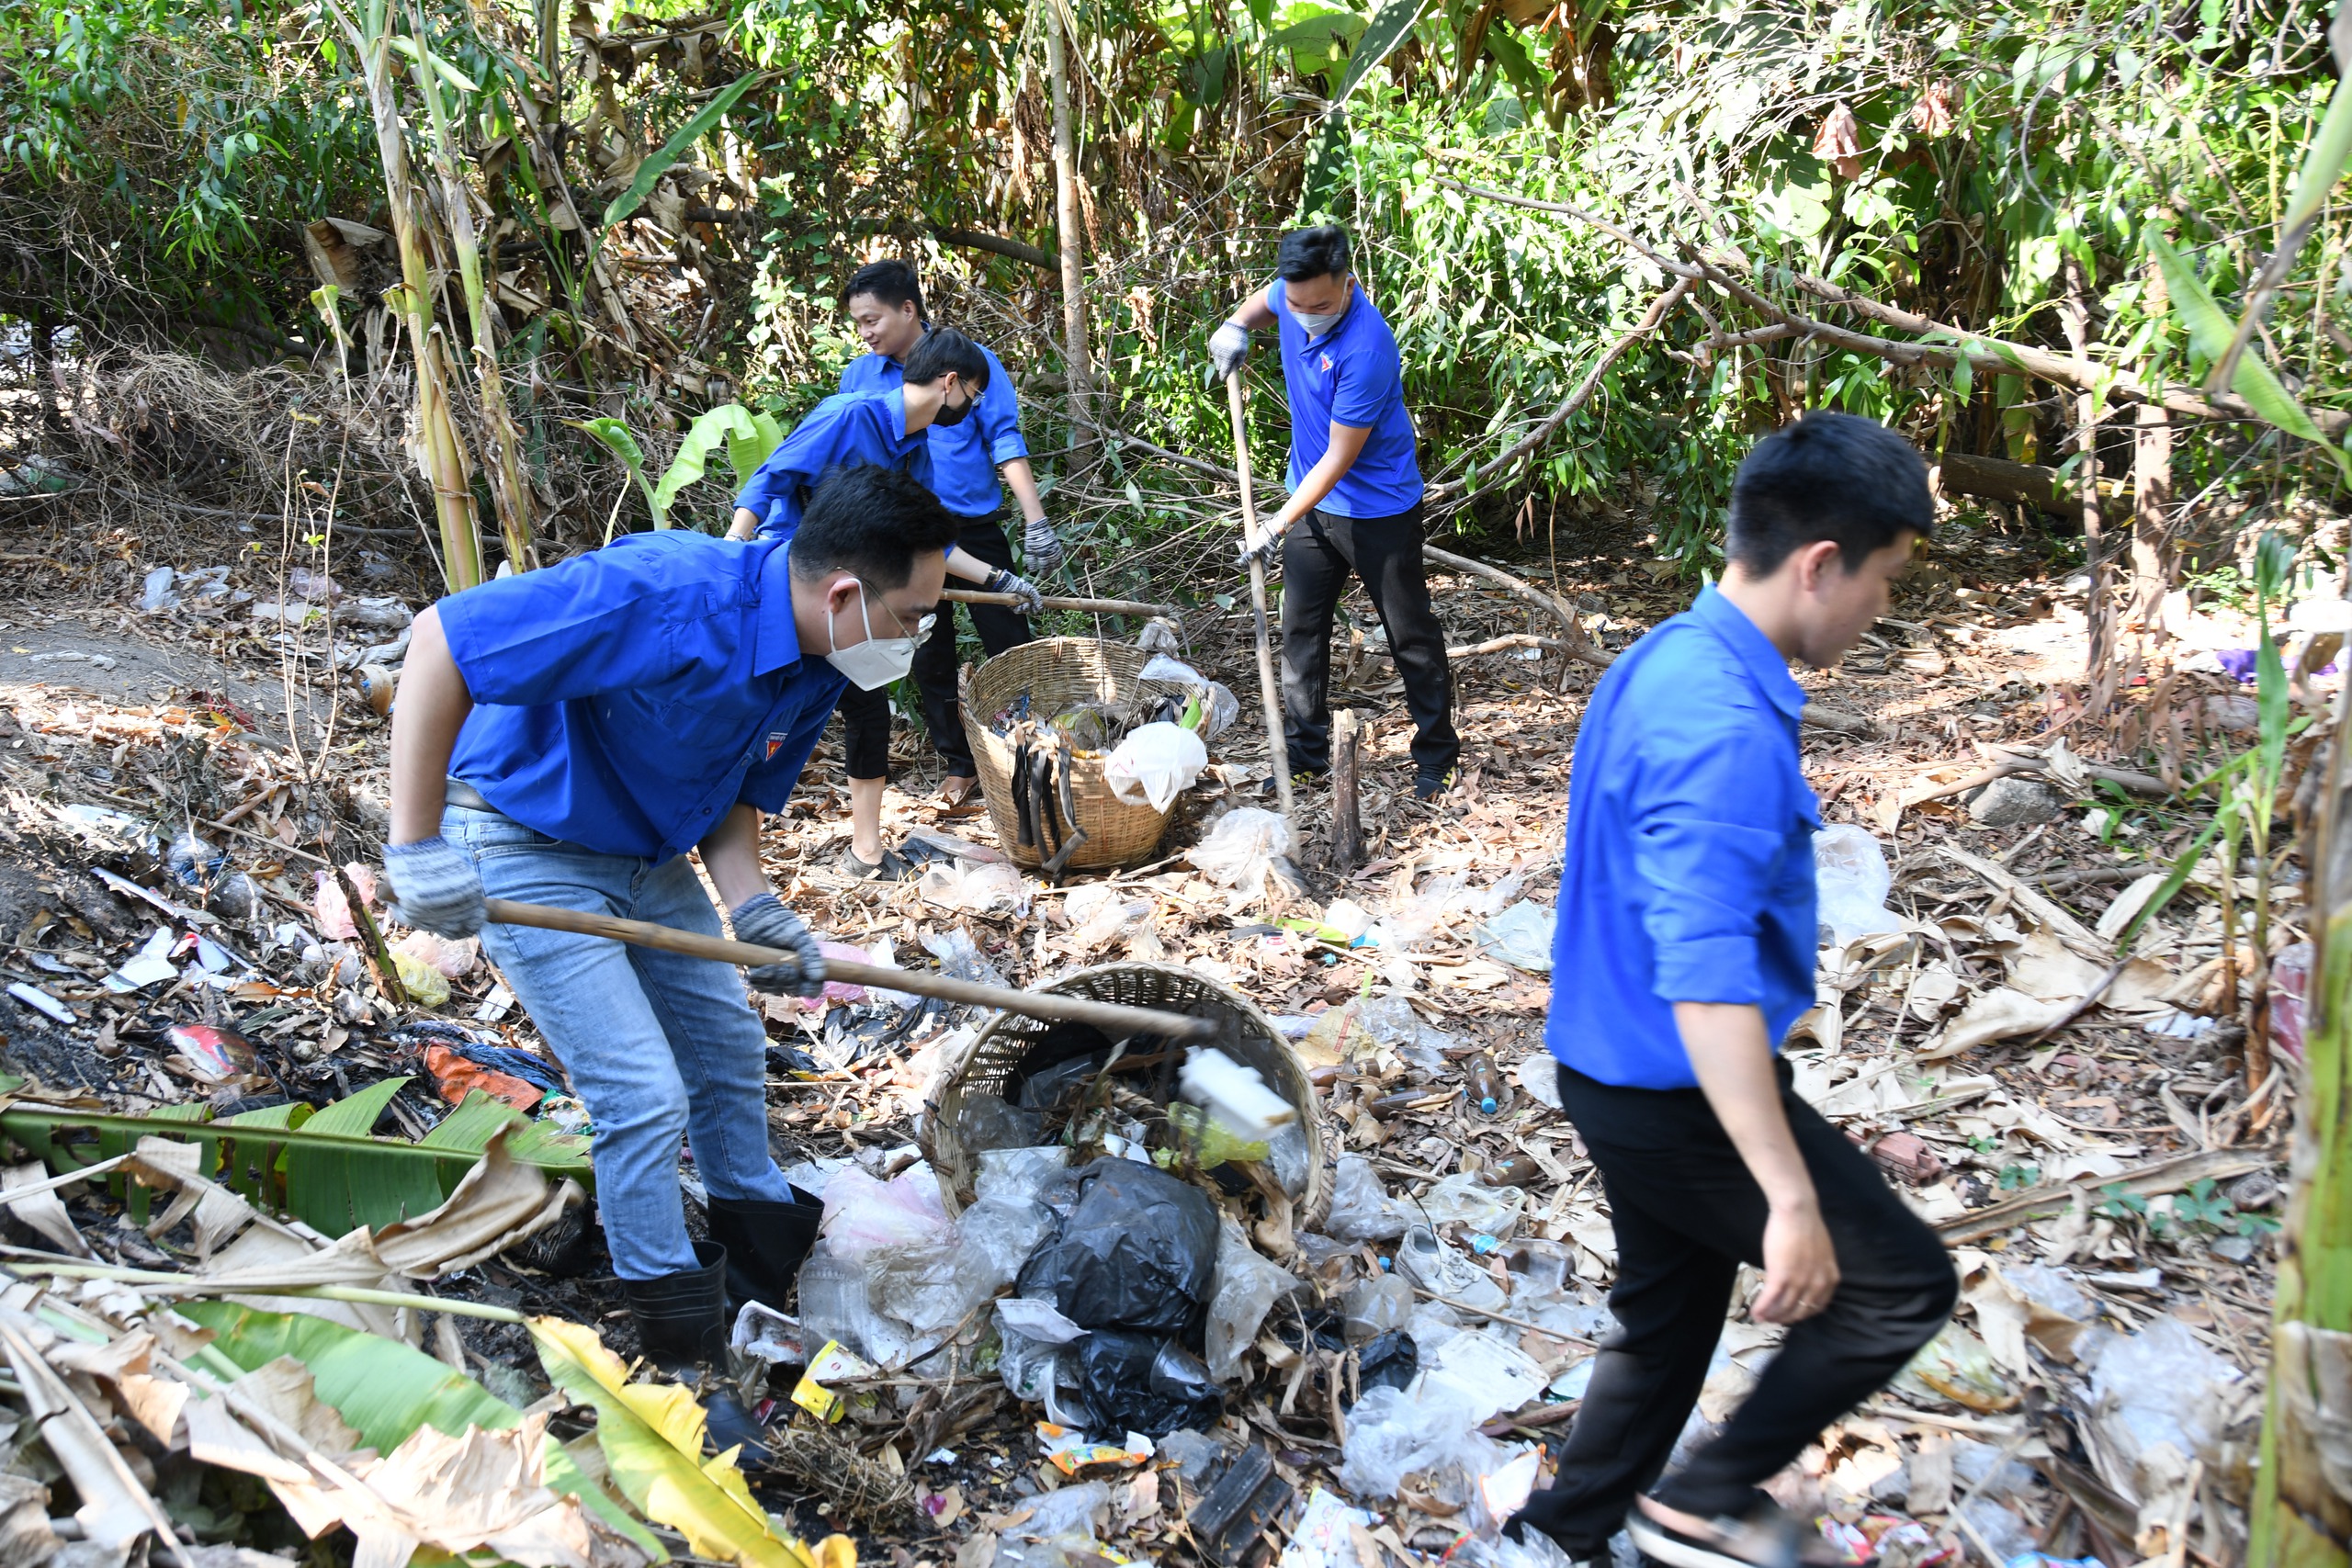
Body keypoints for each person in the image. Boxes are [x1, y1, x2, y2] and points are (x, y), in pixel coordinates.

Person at [381, 465, 962, 1403]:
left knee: (727, 1045)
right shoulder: (668, 593)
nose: (917, 636)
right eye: (914, 616)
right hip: (525, 838)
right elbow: (444, 637)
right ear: (847, 593)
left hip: (648, 856)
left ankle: (754, 1257)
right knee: (641, 1093)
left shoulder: (824, 658)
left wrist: (754, 906)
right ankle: (678, 1334)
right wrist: (413, 844)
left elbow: (736, 787)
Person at [1510, 412, 1957, 1568]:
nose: (1884, 609)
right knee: (1898, 1287)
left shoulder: (1668, 655)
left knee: (1664, 1327)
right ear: (1820, 564)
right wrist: (1789, 1196)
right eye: (1888, 580)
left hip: (1606, 1068)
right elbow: (1705, 984)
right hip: (1674, 1091)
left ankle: (1557, 1537)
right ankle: (1694, 1507)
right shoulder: (1718, 726)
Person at [729, 328, 1045, 880]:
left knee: (868, 701)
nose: (972, 407)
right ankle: (740, 861)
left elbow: (931, 542)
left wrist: (999, 578)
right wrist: (734, 553)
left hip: (853, 594)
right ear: (950, 383)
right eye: (973, 396)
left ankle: (866, 851)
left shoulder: (915, 449)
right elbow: (772, 476)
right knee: (766, 714)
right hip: (790, 582)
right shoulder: (850, 416)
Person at [1207, 223, 1459, 801]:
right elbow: (1266, 302)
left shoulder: (1367, 348)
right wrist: (1236, 326)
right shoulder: (1293, 297)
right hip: (1311, 505)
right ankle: (1304, 754)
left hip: (1378, 511)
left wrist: (1276, 522)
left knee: (1409, 633)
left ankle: (1437, 755)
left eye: (1319, 304)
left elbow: (1340, 458)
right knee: (1300, 630)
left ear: (1348, 283)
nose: (1306, 314)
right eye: (1297, 304)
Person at [835, 261, 1058, 847]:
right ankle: (960, 763)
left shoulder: (972, 365)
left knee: (1009, 637)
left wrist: (1035, 520)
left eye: (872, 318)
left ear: (908, 309)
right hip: (904, 535)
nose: (866, 332)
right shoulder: (860, 379)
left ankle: (1029, 752)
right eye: (858, 322)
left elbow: (1005, 437)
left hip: (974, 526)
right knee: (926, 649)